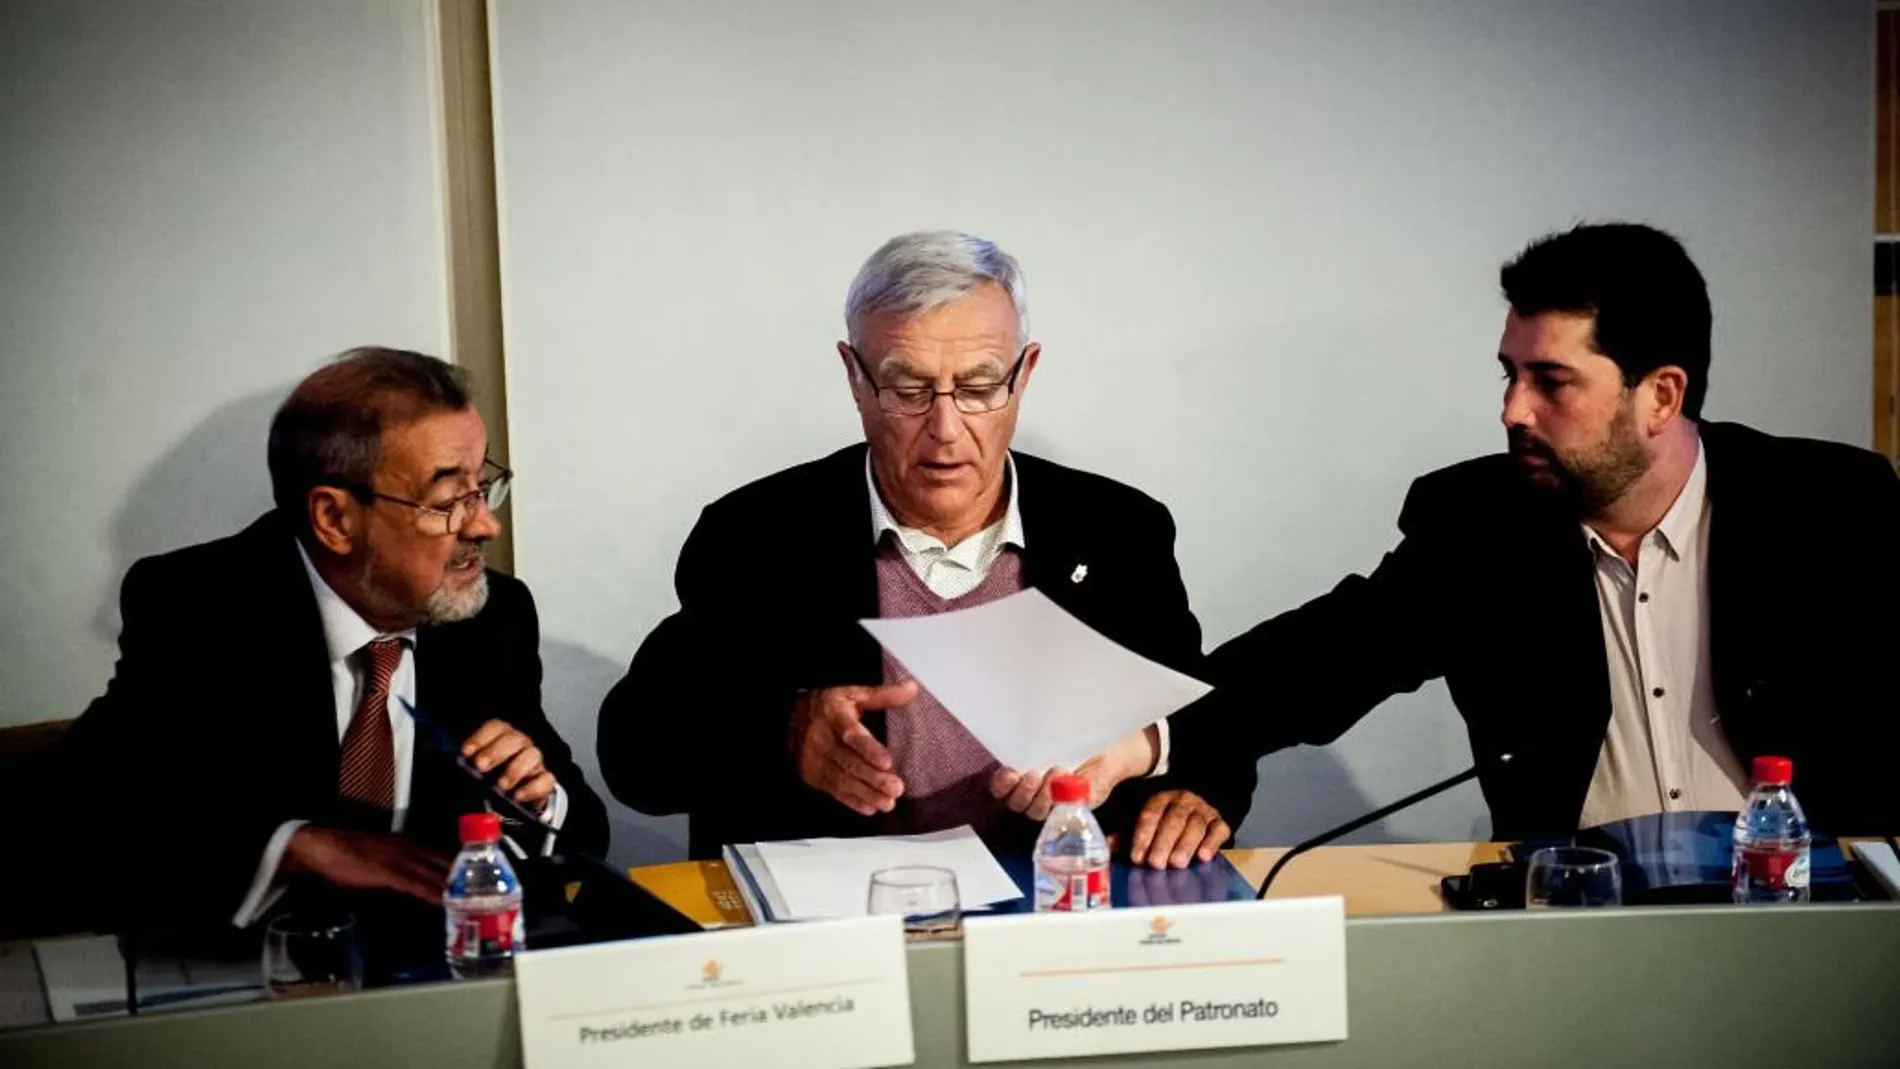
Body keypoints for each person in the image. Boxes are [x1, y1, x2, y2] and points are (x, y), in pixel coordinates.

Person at [1065, 223, 1900, 846]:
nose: (1512, 410)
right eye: (1509, 374)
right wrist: (1147, 738)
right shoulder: (1483, 525)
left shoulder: (1833, 509)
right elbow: (1320, 660)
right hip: (1577, 935)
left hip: (1809, 914)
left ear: (1662, 395)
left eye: (1552, 381)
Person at [597, 231, 1253, 868]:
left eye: (977, 387)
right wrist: (786, 729)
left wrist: (1199, 795)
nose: (944, 428)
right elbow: (636, 756)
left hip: (1049, 914)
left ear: (1024, 376)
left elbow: (1206, 721)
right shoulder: (759, 535)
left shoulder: (1116, 531)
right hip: (832, 930)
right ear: (855, 379)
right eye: (909, 390)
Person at [53, 348, 608, 933]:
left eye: (482, 487)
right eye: (448, 501)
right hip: (251, 976)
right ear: (335, 519)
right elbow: (88, 820)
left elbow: (584, 831)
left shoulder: (492, 616)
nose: (484, 524)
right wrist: (296, 846)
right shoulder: (202, 608)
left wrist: (531, 804)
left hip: (429, 975)